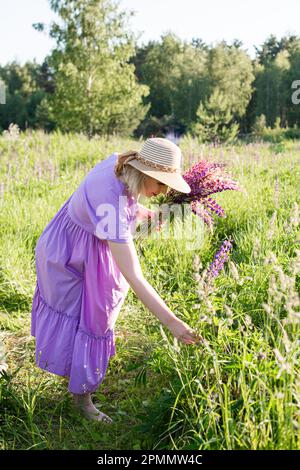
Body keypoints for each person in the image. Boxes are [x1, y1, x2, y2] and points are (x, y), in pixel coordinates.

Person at [30, 137, 201, 424]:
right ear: (145, 174)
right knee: (84, 319)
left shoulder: (121, 165)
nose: (163, 192)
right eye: (161, 184)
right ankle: (81, 400)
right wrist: (174, 323)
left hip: (91, 246)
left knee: (99, 313)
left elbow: (123, 204)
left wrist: (144, 214)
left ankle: (78, 386)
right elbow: (134, 275)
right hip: (68, 253)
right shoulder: (108, 195)